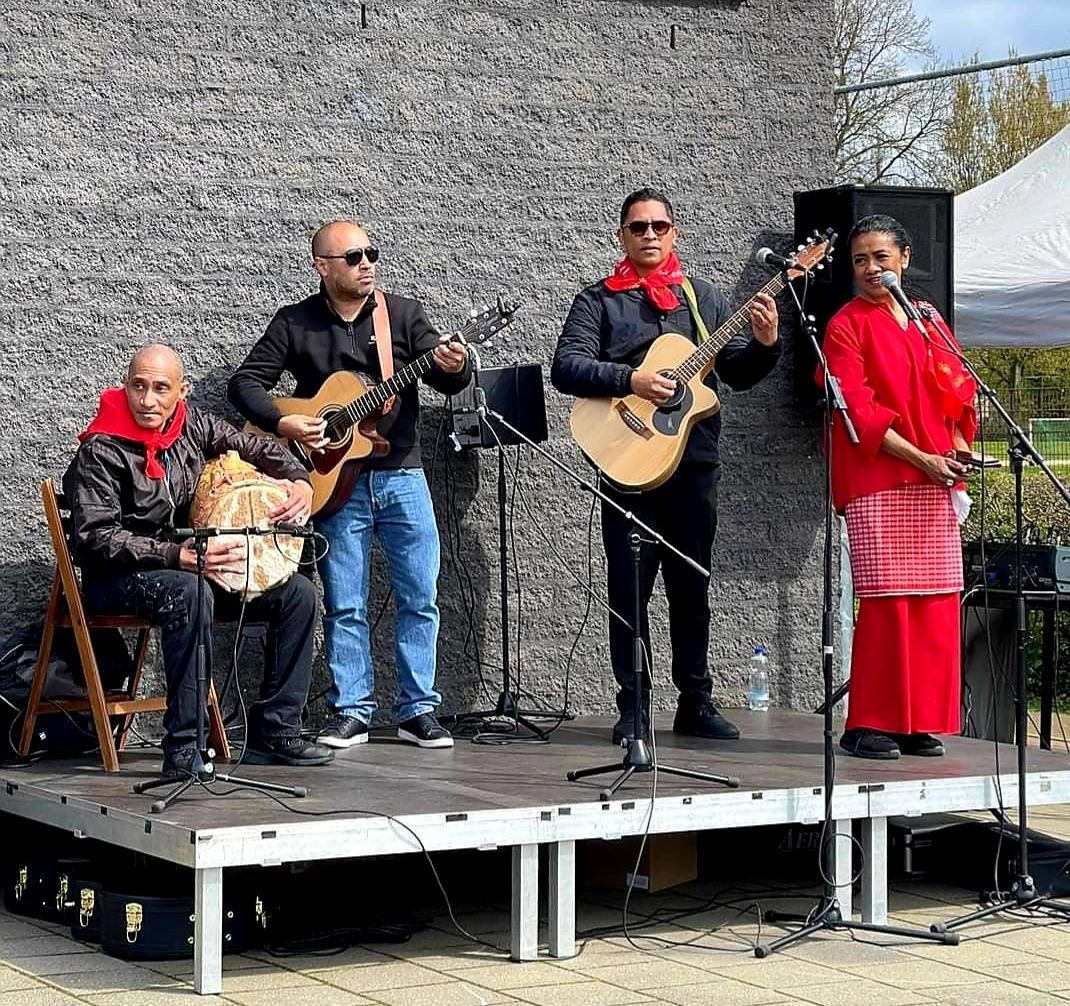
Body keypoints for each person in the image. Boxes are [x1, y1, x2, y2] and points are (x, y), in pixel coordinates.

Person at [228, 220, 471, 750]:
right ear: (322, 267)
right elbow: (244, 383)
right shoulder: (295, 322)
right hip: (332, 481)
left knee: (420, 594)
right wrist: (284, 421)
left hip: (402, 471)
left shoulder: (401, 315)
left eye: (371, 254)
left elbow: (447, 380)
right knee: (344, 602)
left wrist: (455, 366)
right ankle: (352, 710)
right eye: (354, 257)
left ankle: (418, 710)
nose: (367, 265)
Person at [551, 187, 782, 745]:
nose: (649, 235)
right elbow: (566, 367)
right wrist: (629, 379)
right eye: (638, 227)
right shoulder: (598, 301)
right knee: (629, 590)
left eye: (659, 226)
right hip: (626, 462)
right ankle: (633, 706)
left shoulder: (705, 300)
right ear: (622, 236)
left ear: (674, 233)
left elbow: (738, 374)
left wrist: (766, 343)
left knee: (691, 587)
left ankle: (694, 702)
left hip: (694, 463)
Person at [63, 344, 333, 777]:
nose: (147, 400)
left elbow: (255, 445)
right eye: (138, 386)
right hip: (118, 578)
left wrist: (299, 480)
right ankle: (184, 748)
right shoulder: (102, 448)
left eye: (160, 388)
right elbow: (95, 537)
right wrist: (175, 555)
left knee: (297, 594)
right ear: (125, 386)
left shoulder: (193, 425)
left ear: (182, 392)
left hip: (189, 568)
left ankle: (276, 731)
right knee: (190, 593)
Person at [818, 214, 977, 759]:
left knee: (935, 601)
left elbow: (959, 393)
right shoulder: (845, 325)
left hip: (934, 475)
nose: (870, 268)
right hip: (879, 475)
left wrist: (957, 447)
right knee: (887, 600)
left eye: (880, 257)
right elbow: (857, 410)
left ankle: (917, 721)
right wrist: (922, 458)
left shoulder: (929, 319)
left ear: (905, 258)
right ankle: (869, 721)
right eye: (860, 260)